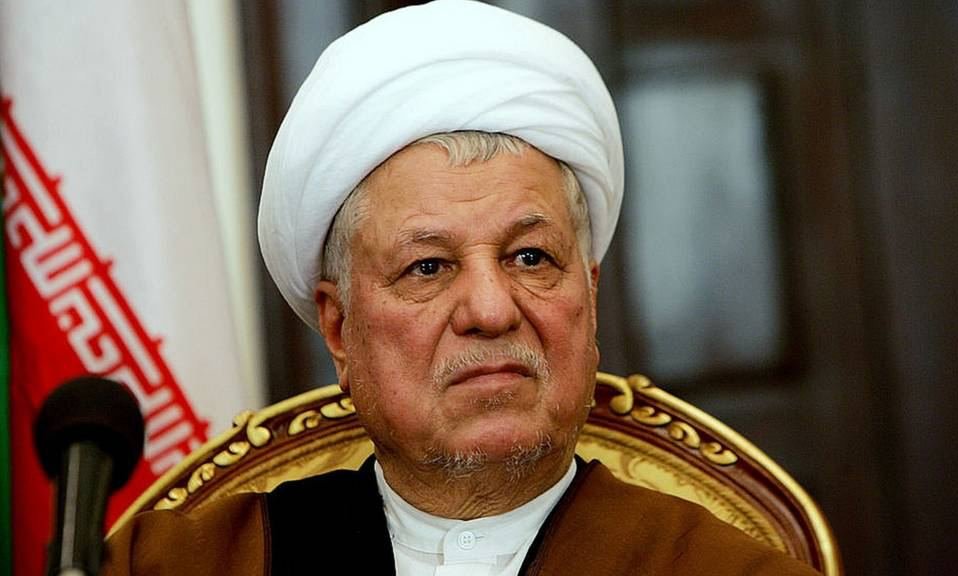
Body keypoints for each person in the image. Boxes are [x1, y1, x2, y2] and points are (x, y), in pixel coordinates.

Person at [104, 2, 821, 574]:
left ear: (590, 296)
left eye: (531, 258)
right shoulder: (186, 563)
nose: (491, 309)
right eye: (428, 267)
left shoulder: (719, 566)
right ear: (339, 328)